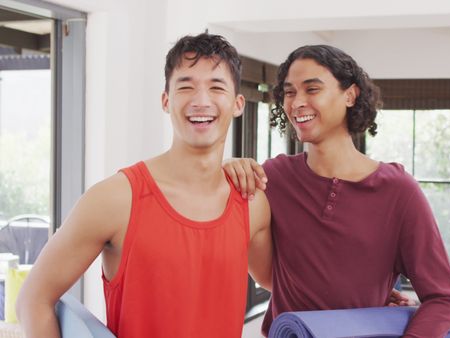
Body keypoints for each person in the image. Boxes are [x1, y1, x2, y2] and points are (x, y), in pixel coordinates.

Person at [16, 33, 272, 338]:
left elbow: (278, 281)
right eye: (186, 86)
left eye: (216, 87)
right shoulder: (114, 199)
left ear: (237, 103)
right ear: (166, 101)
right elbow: (33, 300)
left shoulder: (251, 203)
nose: (201, 100)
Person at [223, 45, 450, 338]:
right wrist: (227, 167)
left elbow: (445, 298)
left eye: (312, 89)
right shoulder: (272, 178)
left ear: (350, 95)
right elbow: (270, 276)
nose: (297, 102)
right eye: (289, 92)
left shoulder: (399, 191)